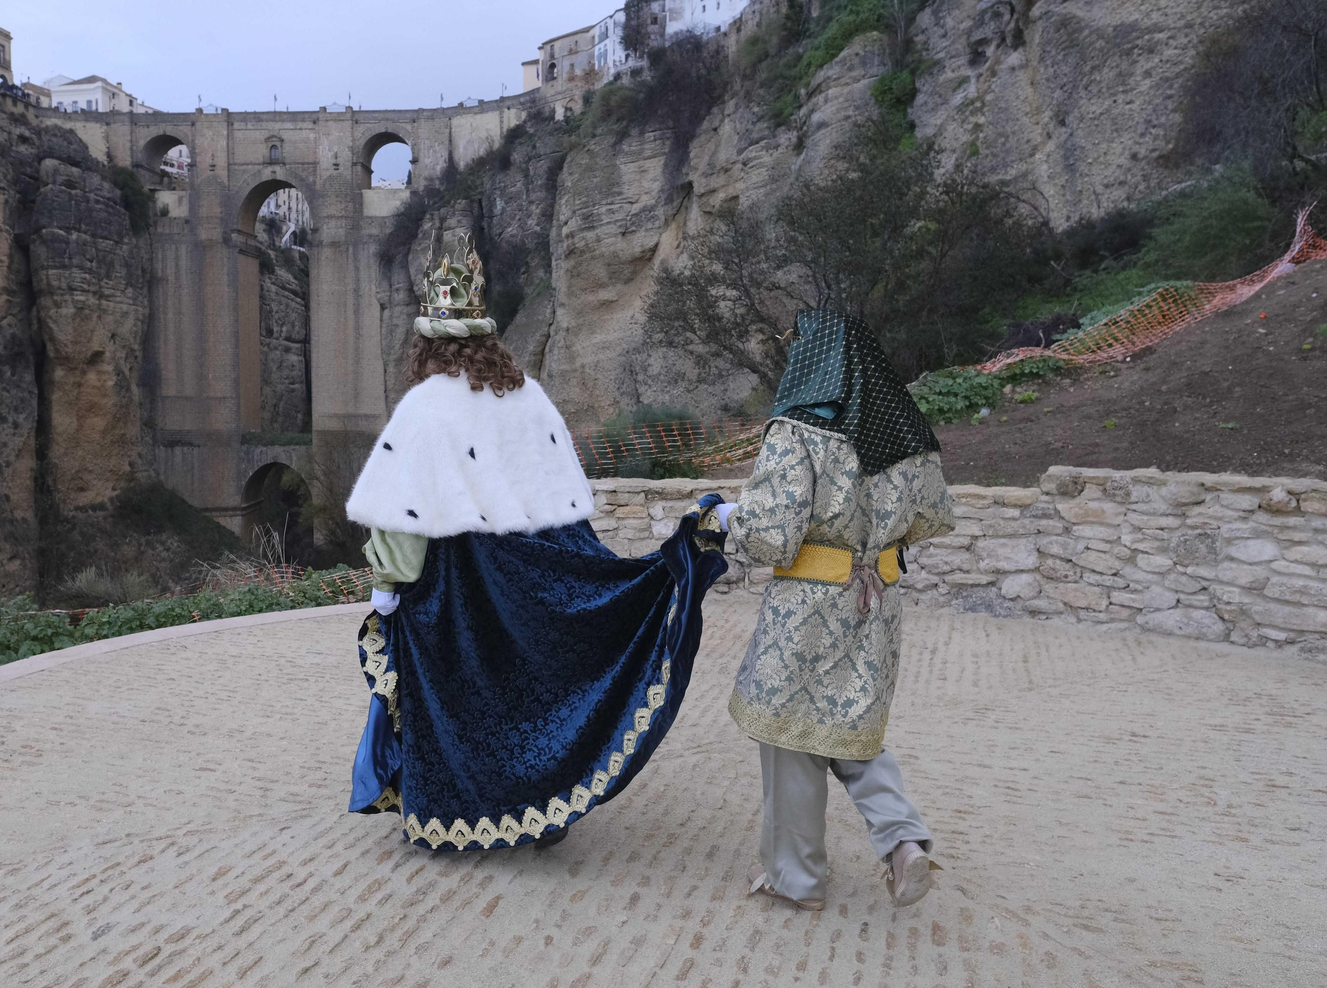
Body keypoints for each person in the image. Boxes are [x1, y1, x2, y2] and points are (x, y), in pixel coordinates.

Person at [344, 236, 728, 851]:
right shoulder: (527, 395)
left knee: (468, 701)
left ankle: (465, 812)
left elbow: (402, 517)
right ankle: (541, 808)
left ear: (427, 344)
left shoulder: (424, 408)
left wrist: (388, 588)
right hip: (534, 572)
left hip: (460, 584)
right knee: (529, 695)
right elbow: (562, 496)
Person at [715, 308, 955, 910]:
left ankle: (796, 881)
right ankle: (903, 841)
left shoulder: (798, 430)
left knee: (790, 739)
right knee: (852, 728)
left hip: (806, 608)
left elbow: (771, 535)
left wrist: (726, 517)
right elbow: (933, 517)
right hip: (877, 603)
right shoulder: (905, 433)